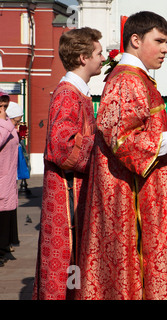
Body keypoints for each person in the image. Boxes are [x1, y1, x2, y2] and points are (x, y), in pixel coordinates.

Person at [76, 11, 167, 300]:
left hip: (146, 196)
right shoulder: (127, 81)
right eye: (159, 41)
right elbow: (123, 141)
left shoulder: (137, 79)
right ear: (135, 40)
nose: (166, 49)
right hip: (133, 204)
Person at [33, 27, 105, 300]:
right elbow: (62, 148)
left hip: (75, 194)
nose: (103, 57)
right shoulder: (67, 94)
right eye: (99, 53)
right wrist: (102, 147)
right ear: (83, 57)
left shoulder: (78, 92)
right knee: (67, 270)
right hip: (67, 197)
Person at [0, 91, 20, 268]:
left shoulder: (5, 126)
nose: (3, 110)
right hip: (2, 179)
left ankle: (3, 249)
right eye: (0, 106)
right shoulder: (3, 126)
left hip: (7, 180)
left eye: (5, 107)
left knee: (5, 217)